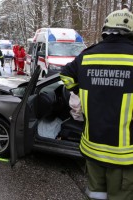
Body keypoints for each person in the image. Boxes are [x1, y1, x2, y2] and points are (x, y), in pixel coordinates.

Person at [60, 8, 133, 200]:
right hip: (124, 155)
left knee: (96, 195)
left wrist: (81, 89)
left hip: (92, 148)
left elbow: (65, 75)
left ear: (105, 30)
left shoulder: (87, 56)